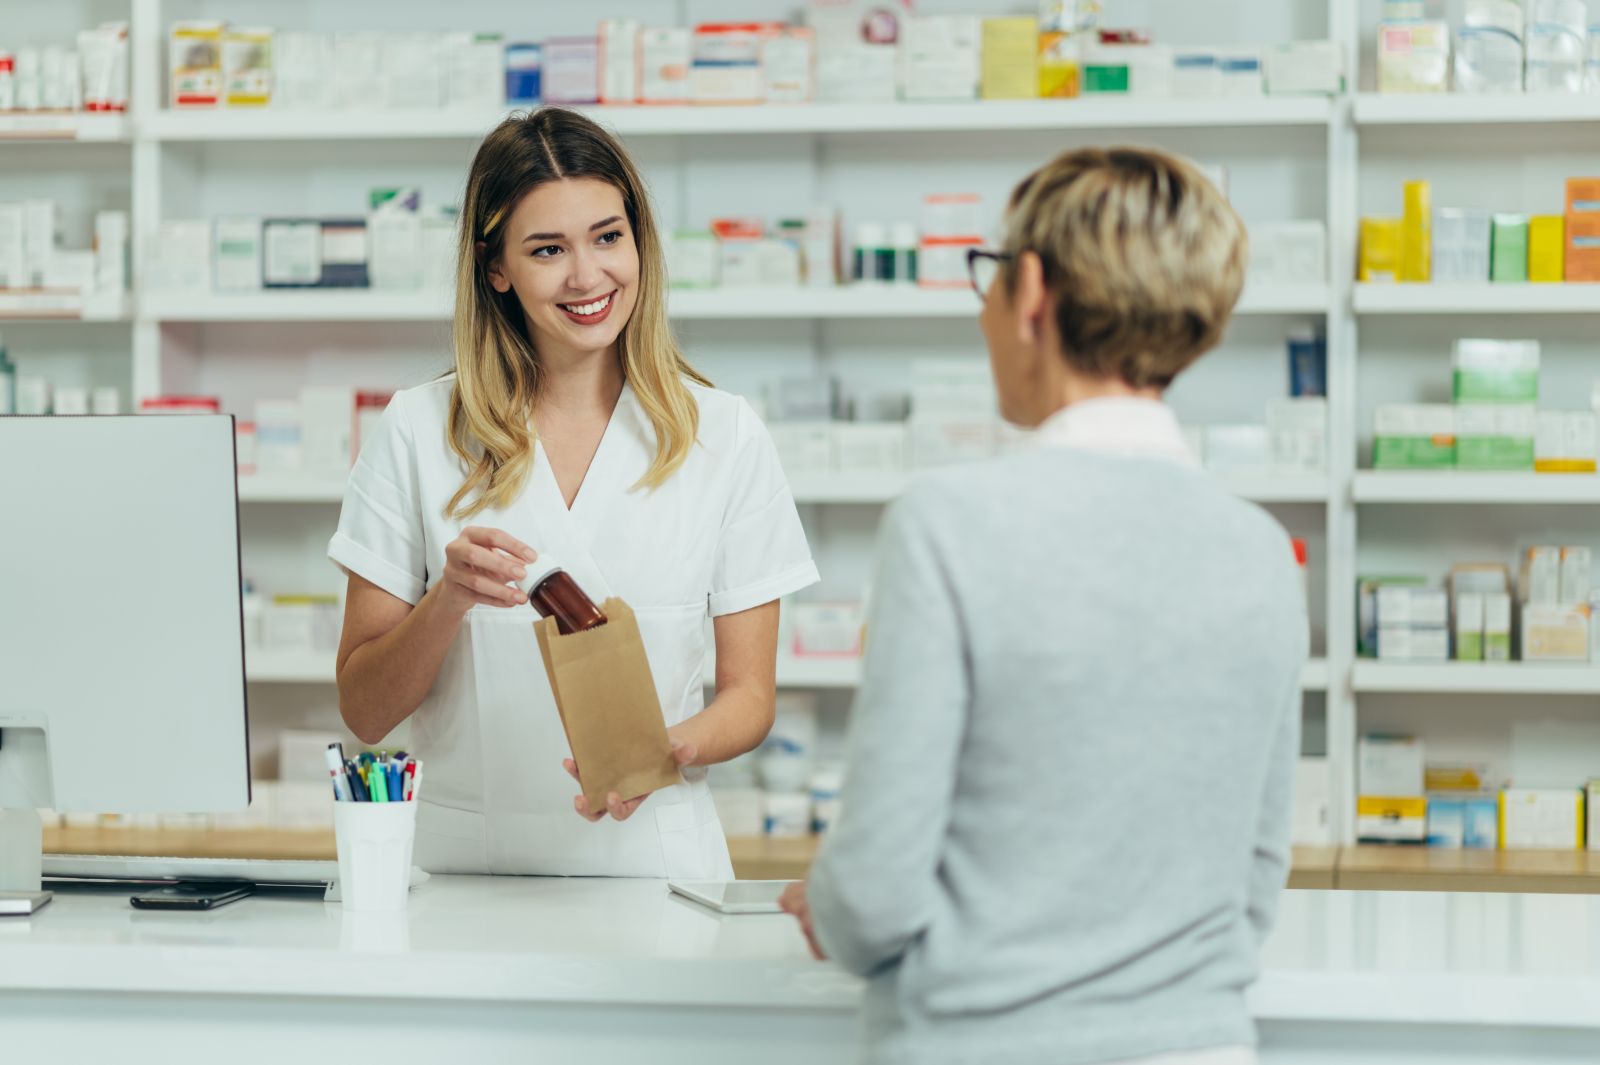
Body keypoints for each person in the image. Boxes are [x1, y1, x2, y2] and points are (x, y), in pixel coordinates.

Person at [781, 146, 1308, 1065]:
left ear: (1030, 292)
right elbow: (1255, 884)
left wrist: (831, 906)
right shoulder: (1261, 550)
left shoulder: (949, 525)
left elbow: (873, 897)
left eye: (987, 277)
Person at [328, 108, 818, 879]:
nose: (587, 276)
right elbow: (364, 710)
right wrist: (447, 600)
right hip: (466, 878)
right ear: (497, 268)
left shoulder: (723, 434)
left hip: (657, 868)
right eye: (548, 249)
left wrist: (672, 747)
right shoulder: (420, 429)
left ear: (638, 244)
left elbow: (750, 696)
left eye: (607, 237)